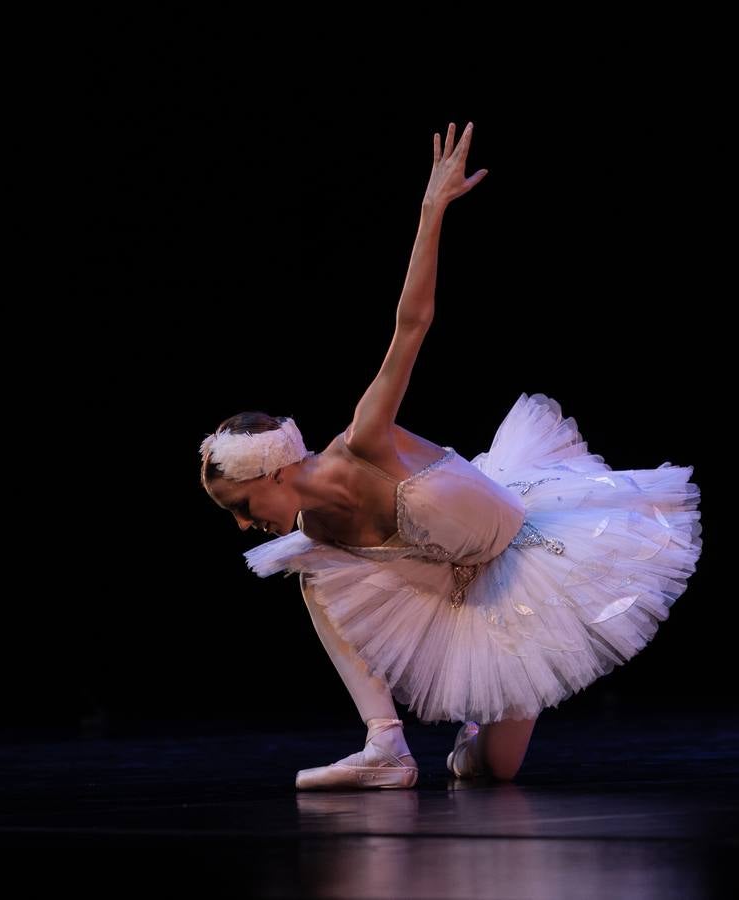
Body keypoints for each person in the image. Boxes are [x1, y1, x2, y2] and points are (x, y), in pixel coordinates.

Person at [199, 122, 703, 790]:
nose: (242, 523)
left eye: (239, 505)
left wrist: (431, 211)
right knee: (307, 569)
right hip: (459, 587)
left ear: (274, 471)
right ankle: (387, 748)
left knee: (494, 770)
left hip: (529, 560)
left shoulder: (365, 441)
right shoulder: (317, 530)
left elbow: (412, 323)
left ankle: (472, 734)